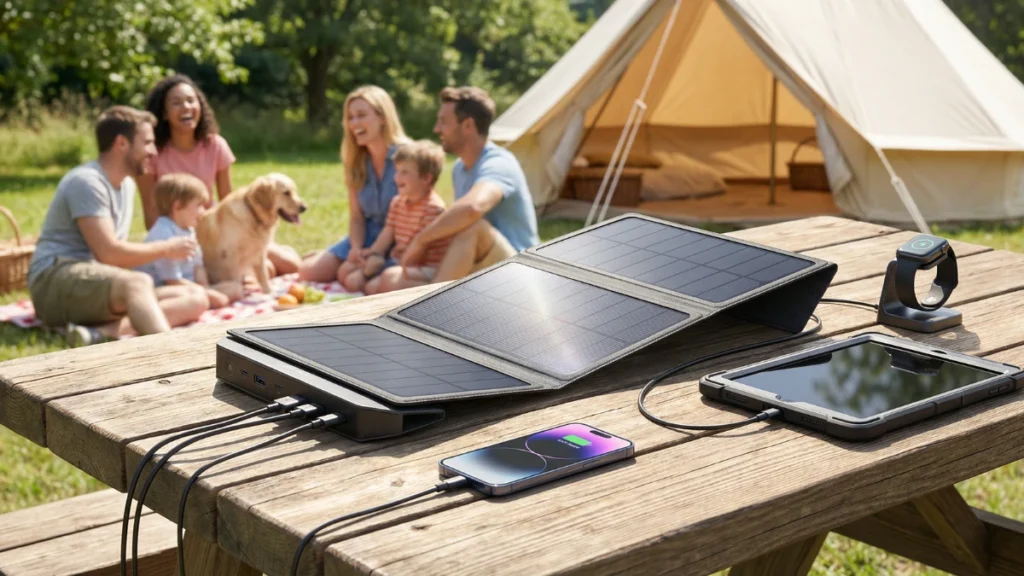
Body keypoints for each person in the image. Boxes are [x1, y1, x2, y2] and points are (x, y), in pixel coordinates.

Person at [27, 106, 209, 346]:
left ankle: (101, 333)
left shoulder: (126, 186)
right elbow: (109, 253)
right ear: (122, 143)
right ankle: (171, 353)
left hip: (93, 281)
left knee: (195, 297)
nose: (153, 151)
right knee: (138, 283)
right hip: (53, 281)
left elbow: (110, 261)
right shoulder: (87, 182)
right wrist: (167, 248)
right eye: (147, 143)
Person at [138, 74, 302, 278]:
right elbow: (151, 214)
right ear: (164, 112)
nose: (186, 107)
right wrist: (174, 245)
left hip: (218, 233)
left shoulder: (215, 145)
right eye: (176, 103)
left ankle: (287, 254)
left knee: (292, 265)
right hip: (178, 237)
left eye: (191, 101)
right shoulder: (152, 154)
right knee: (265, 270)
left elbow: (229, 202)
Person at [400, 86, 539, 282]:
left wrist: (421, 240)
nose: (436, 129)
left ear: (467, 125)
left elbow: (472, 208)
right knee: (391, 278)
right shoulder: (459, 168)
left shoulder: (499, 163)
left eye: (443, 122)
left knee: (473, 228)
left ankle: (434, 307)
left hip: (520, 271)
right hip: (482, 269)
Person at [297, 85, 410, 284]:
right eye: (350, 117)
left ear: (382, 117)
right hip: (366, 234)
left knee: (351, 277)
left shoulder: (408, 156)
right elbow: (357, 216)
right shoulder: (355, 161)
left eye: (361, 115)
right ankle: (331, 255)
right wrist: (356, 248)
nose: (354, 123)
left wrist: (378, 252)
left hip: (400, 238)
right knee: (308, 273)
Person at [354, 140, 450, 295]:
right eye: (397, 171)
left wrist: (384, 266)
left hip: (425, 267)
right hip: (399, 262)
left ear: (426, 178)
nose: (396, 177)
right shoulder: (398, 202)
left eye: (404, 172)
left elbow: (420, 252)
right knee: (355, 276)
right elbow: (388, 231)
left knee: (383, 281)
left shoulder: (434, 209)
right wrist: (374, 253)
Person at [137, 173, 243, 309]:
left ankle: (203, 301)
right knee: (219, 299)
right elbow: (172, 281)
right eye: (198, 205)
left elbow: (197, 265)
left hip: (189, 287)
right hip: (162, 289)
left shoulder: (188, 229)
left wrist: (205, 287)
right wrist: (207, 293)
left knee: (236, 288)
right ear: (177, 206)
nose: (203, 212)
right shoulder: (163, 234)